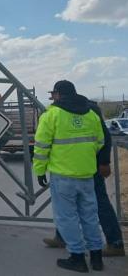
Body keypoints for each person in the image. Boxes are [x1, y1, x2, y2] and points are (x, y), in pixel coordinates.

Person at [33, 80, 105, 272]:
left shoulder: (52, 114)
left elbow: (41, 147)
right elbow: (99, 142)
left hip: (63, 175)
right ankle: (97, 257)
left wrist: (40, 171)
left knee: (67, 217)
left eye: (53, 94)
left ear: (58, 94)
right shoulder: (91, 114)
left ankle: (77, 257)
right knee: (90, 215)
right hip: (87, 174)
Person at [43, 97, 125, 257]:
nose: (54, 98)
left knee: (98, 203)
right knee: (67, 206)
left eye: (55, 94)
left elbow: (105, 138)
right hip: (77, 166)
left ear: (61, 94)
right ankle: (62, 237)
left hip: (88, 167)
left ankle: (115, 243)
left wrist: (104, 162)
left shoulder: (88, 110)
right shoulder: (71, 108)